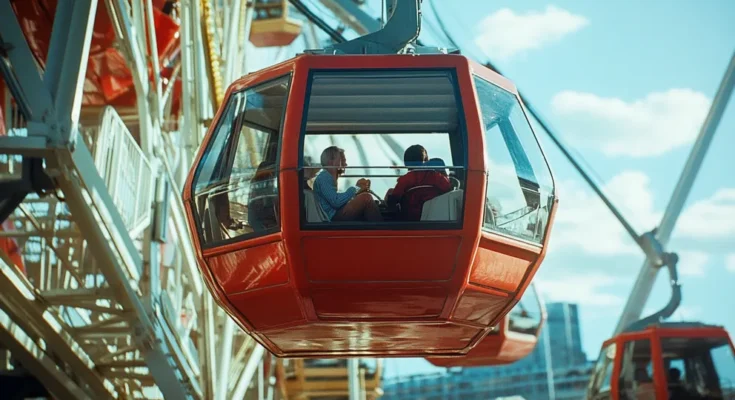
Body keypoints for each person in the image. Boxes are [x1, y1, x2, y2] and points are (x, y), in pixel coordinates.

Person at [312, 146, 382, 222]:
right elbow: (336, 201)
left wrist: (358, 191)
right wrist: (356, 188)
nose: (345, 164)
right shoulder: (324, 177)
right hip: (332, 218)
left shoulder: (327, 177)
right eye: (342, 161)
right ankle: (382, 231)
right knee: (366, 198)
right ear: (331, 162)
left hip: (335, 214)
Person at [385, 145, 452, 221]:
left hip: (410, 220)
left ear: (406, 163)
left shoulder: (405, 179)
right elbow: (448, 188)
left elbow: (394, 198)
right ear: (426, 160)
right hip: (436, 218)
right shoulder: (436, 176)